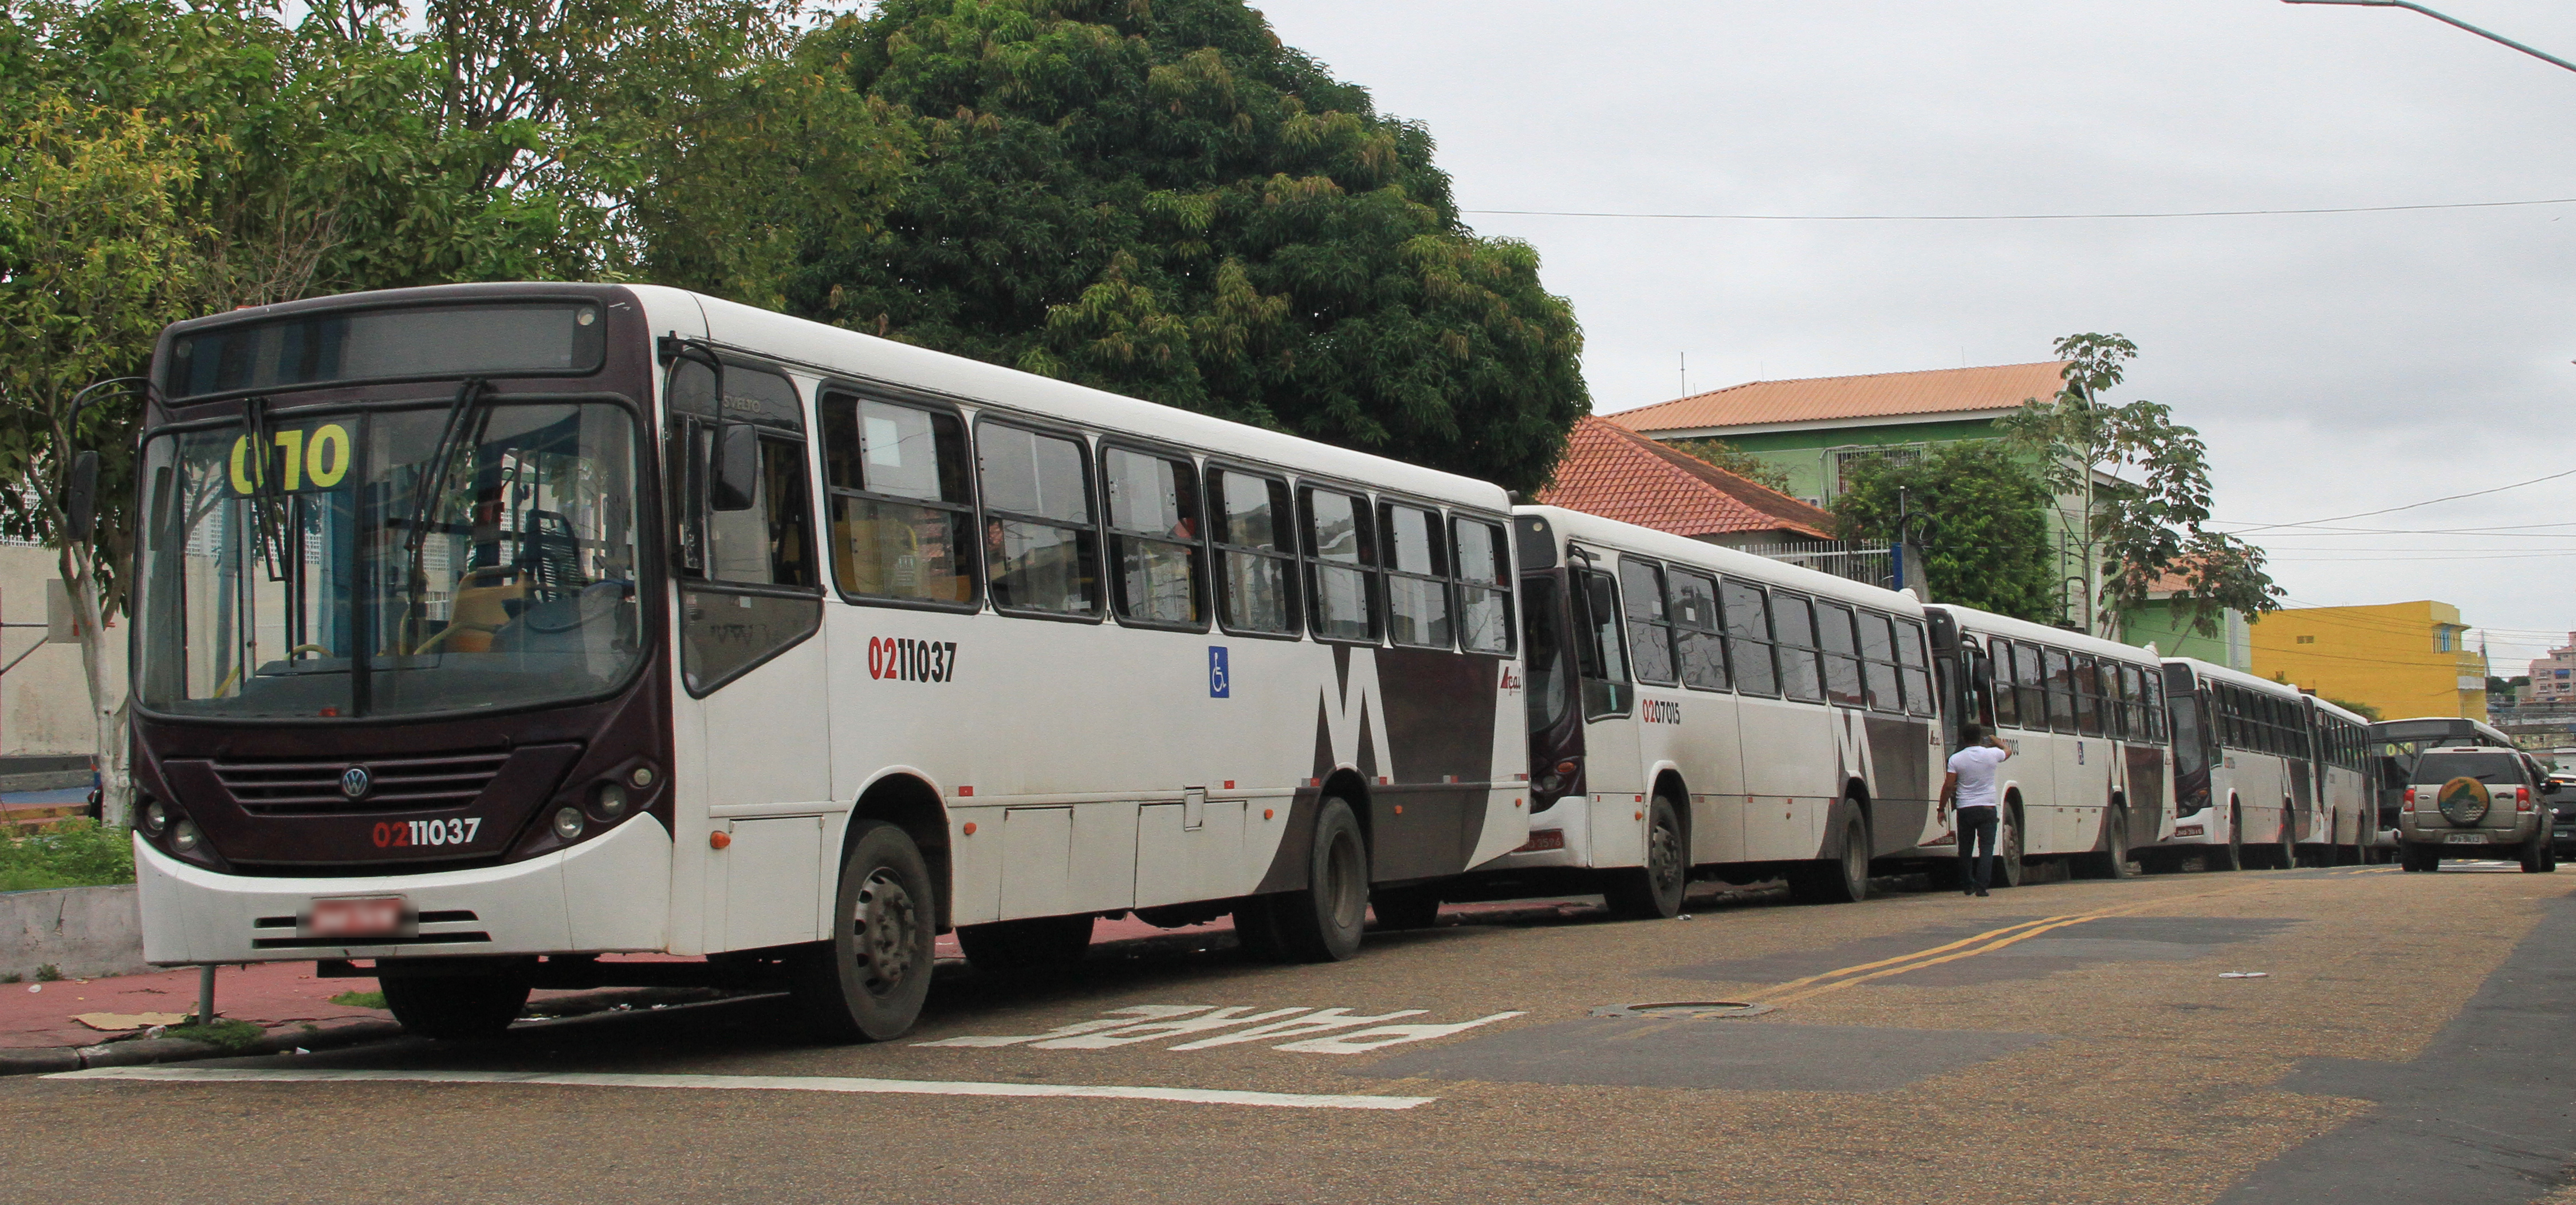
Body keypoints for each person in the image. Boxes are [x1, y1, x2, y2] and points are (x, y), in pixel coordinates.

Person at [1941, 723, 2014, 897]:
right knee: (1986, 848)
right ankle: (1982, 887)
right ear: (1980, 737)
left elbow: (1949, 785)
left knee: (1965, 849)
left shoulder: (1956, 759)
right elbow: (2008, 751)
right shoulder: (1991, 754)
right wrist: (1997, 741)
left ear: (1963, 739)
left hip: (1965, 809)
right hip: (1987, 808)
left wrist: (1941, 808)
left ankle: (1967, 885)